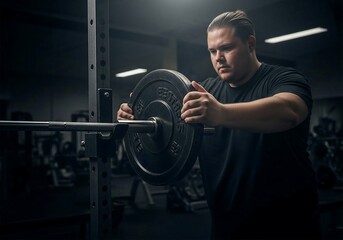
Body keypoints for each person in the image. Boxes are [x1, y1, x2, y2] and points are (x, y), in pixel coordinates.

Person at [117, 10, 321, 240]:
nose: (218, 58)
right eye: (212, 51)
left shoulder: (283, 79)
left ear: (250, 43)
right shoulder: (204, 93)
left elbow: (290, 111)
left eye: (226, 48)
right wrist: (137, 117)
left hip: (288, 226)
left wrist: (221, 113)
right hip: (227, 225)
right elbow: (169, 132)